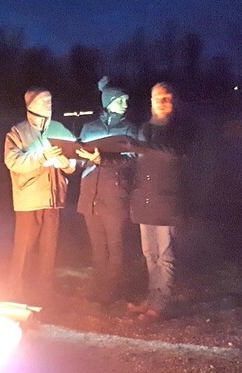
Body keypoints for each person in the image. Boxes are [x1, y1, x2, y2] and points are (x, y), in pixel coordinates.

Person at [4, 87, 76, 305]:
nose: (49, 105)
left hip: (54, 199)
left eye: (50, 101)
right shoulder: (17, 133)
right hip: (29, 200)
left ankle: (45, 291)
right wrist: (42, 156)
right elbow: (13, 161)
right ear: (31, 105)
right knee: (24, 247)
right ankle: (16, 290)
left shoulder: (60, 129)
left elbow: (73, 162)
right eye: (44, 101)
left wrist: (66, 162)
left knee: (49, 248)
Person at [127, 82, 193, 319]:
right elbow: (134, 160)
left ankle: (161, 303)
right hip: (145, 199)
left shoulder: (180, 129)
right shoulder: (144, 129)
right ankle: (151, 297)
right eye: (158, 99)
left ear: (173, 102)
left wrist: (141, 148)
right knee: (149, 253)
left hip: (168, 201)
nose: (163, 103)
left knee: (165, 255)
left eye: (167, 98)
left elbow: (173, 154)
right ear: (151, 102)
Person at [75, 77, 139, 304]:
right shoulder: (89, 128)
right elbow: (80, 160)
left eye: (126, 100)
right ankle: (97, 285)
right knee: (97, 246)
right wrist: (79, 157)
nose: (125, 104)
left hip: (114, 196)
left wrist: (101, 159)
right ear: (109, 102)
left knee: (115, 246)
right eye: (121, 100)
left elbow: (132, 161)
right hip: (90, 196)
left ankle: (110, 290)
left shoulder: (130, 130)